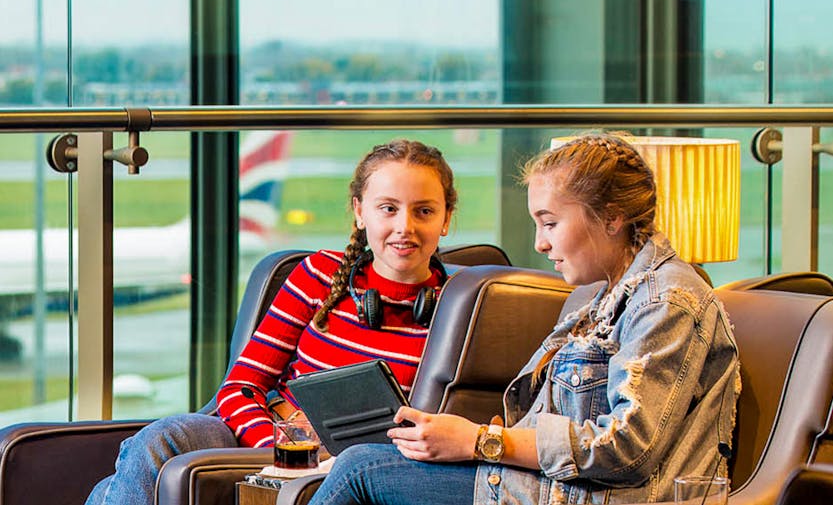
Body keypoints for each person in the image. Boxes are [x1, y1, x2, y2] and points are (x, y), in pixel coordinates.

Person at [308, 133, 741, 505]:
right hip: (559, 486)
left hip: (600, 496)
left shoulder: (667, 300)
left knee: (359, 470)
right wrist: (469, 443)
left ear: (612, 218)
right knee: (366, 462)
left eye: (550, 223)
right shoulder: (591, 295)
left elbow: (627, 449)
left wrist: (478, 441)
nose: (539, 244)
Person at [85, 139, 458, 505]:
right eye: (388, 209)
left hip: (352, 470)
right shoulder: (318, 275)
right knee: (161, 439)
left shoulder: (461, 308)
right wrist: (282, 448)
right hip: (271, 445)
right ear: (360, 212)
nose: (404, 226)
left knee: (105, 492)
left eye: (424, 211)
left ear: (446, 219)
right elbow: (240, 388)